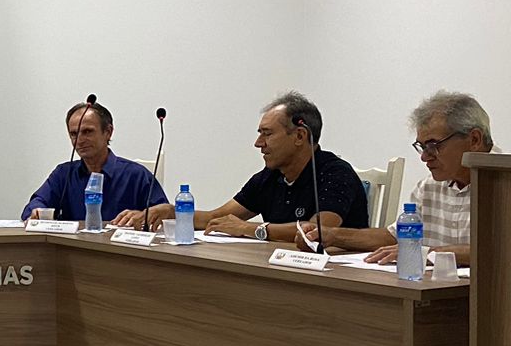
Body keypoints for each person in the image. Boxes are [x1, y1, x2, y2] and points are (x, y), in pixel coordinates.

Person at [131, 92, 369, 240]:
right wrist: (172, 212)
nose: (258, 143)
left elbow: (318, 231)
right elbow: (218, 217)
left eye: (267, 134)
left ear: (299, 136)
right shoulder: (270, 176)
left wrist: (251, 229)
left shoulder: (336, 173)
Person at [308, 91, 492, 265]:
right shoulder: (428, 187)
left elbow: (498, 251)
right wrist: (332, 235)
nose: (424, 157)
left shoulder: (502, 185)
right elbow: (394, 237)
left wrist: (429, 254)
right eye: (422, 147)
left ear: (474, 140)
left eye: (433, 145)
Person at [24, 100, 166, 222]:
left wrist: (143, 216)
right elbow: (36, 204)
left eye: (87, 132)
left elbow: (166, 214)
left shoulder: (136, 175)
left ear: (108, 132)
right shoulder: (63, 174)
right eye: (74, 134)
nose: (79, 140)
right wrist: (37, 211)